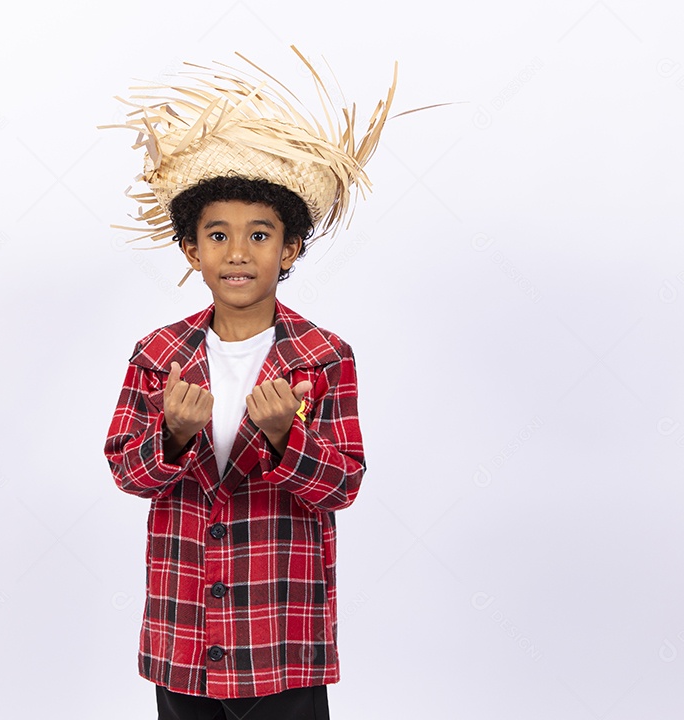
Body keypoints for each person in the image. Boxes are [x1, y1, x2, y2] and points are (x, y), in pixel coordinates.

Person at [102, 46, 441, 720]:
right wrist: (170, 436)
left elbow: (342, 485)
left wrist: (289, 438)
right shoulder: (158, 354)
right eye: (218, 235)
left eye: (260, 235)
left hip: (281, 640)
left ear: (288, 250)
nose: (238, 252)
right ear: (192, 250)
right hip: (185, 636)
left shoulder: (323, 356)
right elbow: (127, 474)